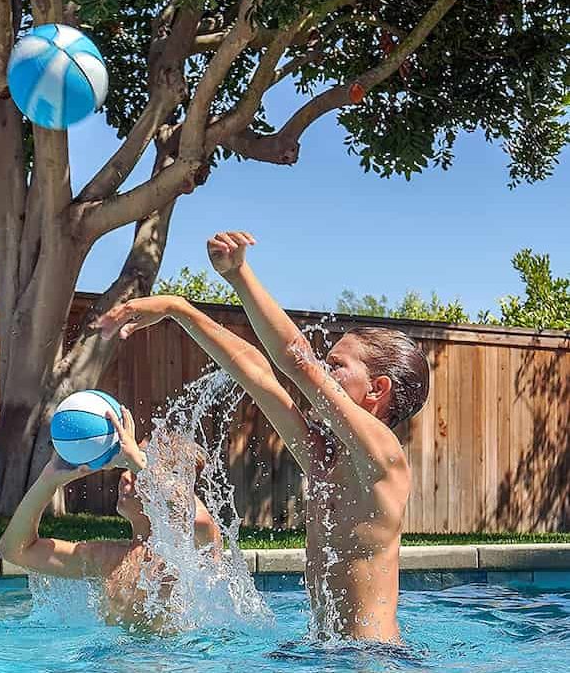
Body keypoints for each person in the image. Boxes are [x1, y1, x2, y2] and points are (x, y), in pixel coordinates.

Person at [95, 231, 430, 642]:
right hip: (324, 652)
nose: (323, 372)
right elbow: (257, 374)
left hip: (374, 659)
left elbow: (297, 360)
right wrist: (182, 311)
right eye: (326, 364)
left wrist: (240, 276)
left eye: (336, 366)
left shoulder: (384, 457)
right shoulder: (325, 459)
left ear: (377, 389)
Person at [0, 406, 221, 630]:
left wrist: (139, 461)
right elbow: (14, 550)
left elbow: (190, 513)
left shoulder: (191, 549)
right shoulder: (107, 559)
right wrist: (48, 480)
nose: (125, 475)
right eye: (127, 466)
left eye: (135, 469)